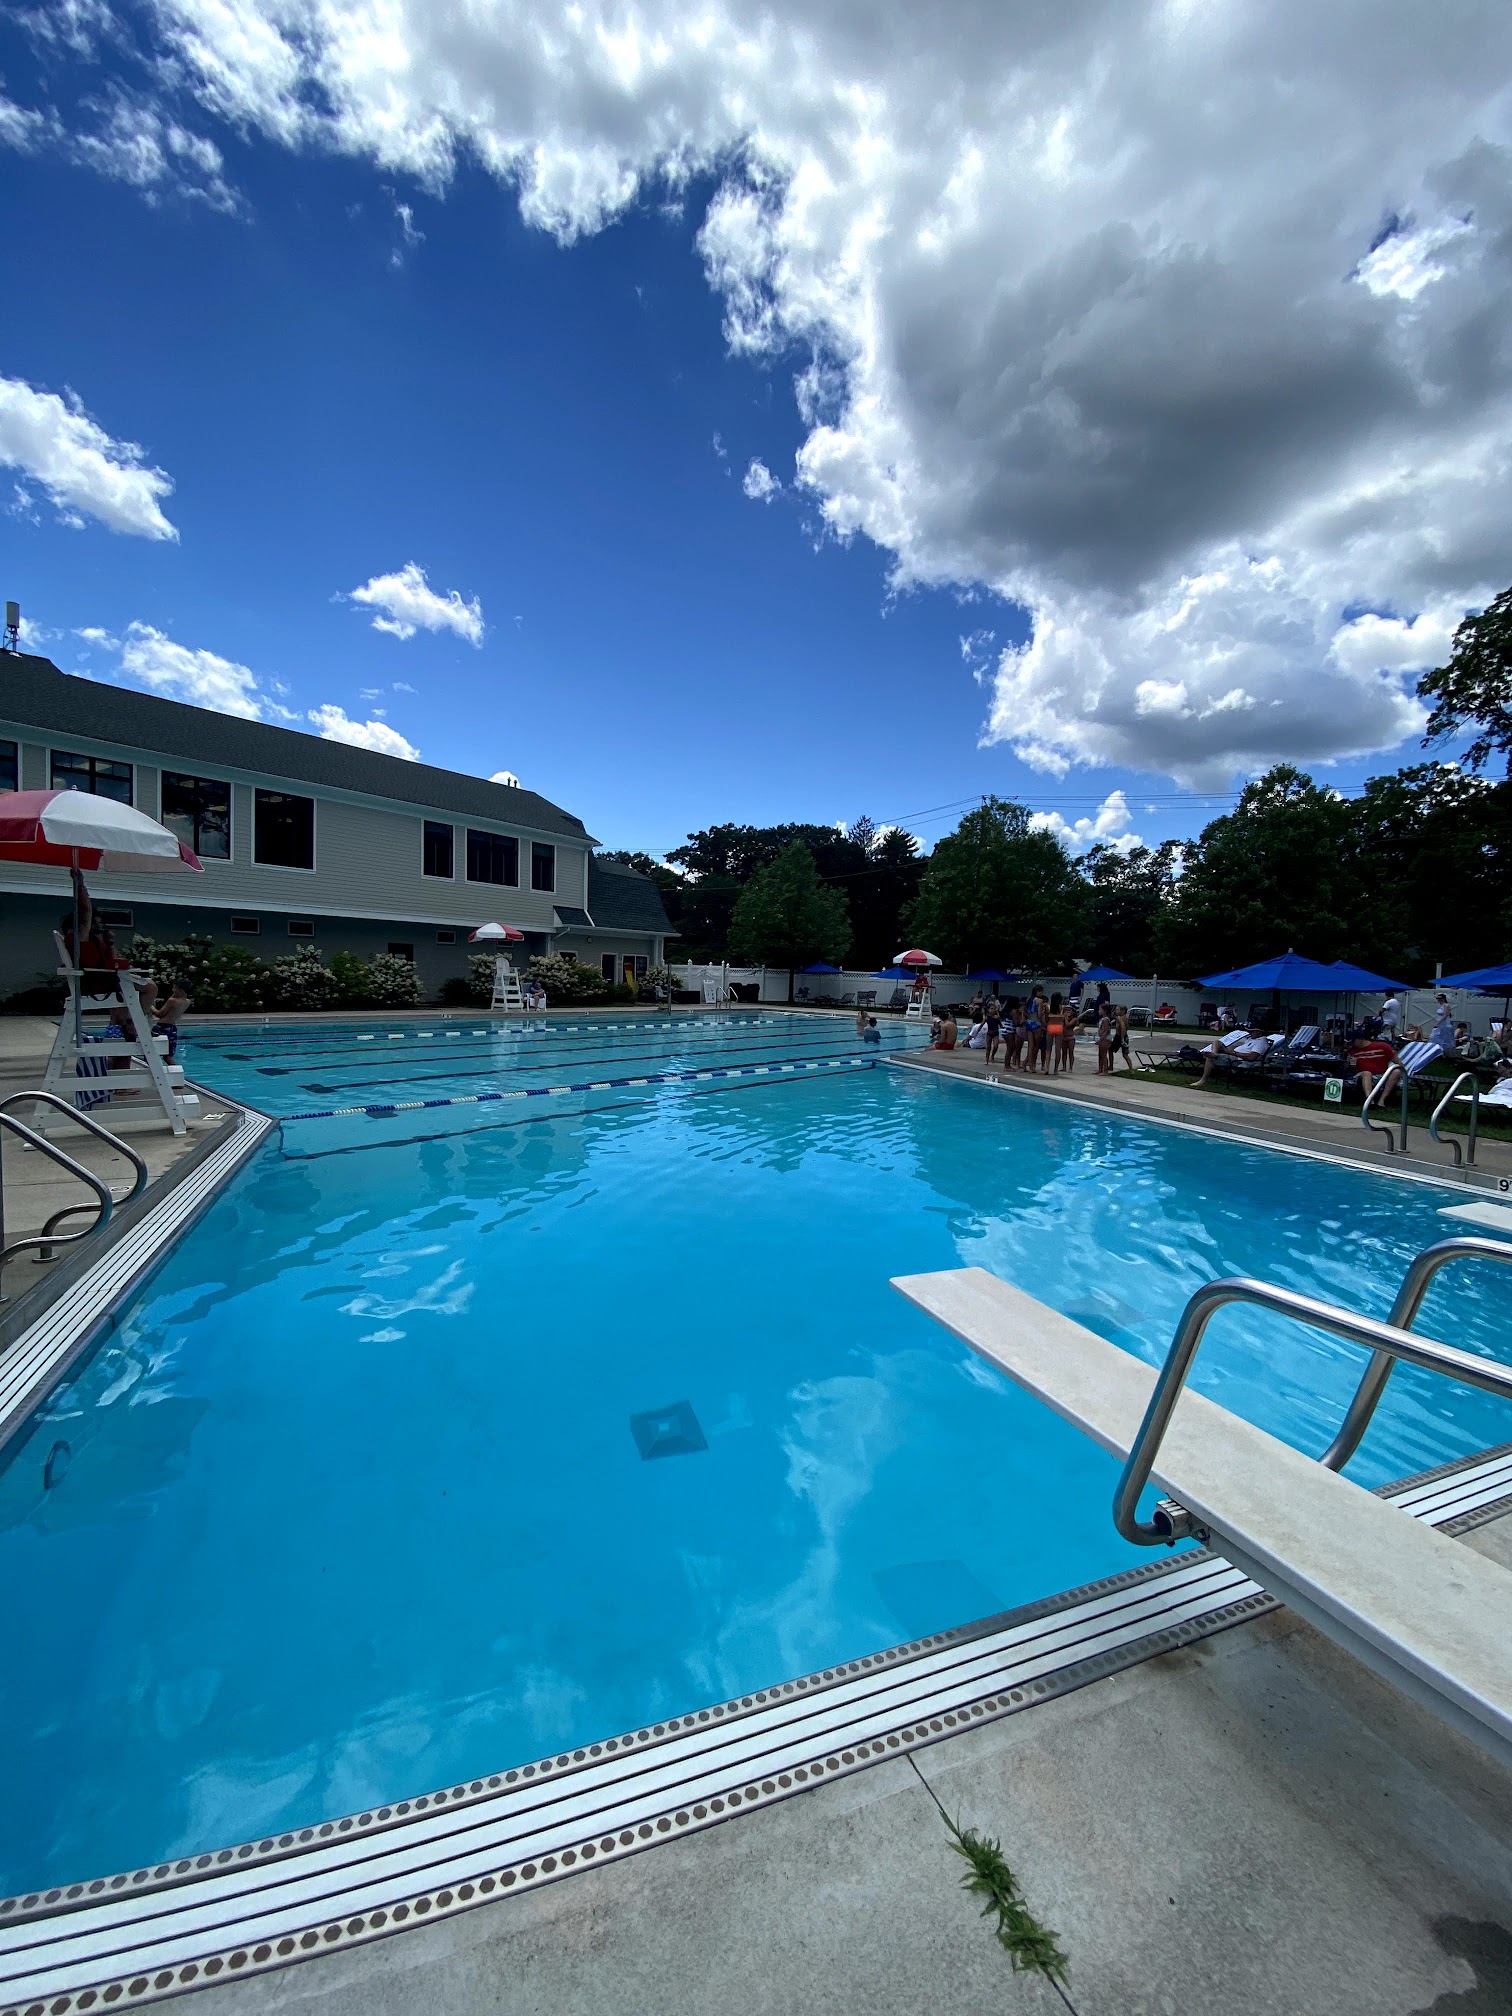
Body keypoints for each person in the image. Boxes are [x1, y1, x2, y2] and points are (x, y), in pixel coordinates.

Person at [62, 871, 159, 1018]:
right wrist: (80, 885)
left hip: (107, 977)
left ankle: (125, 1022)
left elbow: (113, 960)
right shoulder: (78, 938)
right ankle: (133, 1022)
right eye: (97, 923)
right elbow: (85, 912)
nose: (100, 925)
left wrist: (110, 943)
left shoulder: (94, 941)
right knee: (150, 987)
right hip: (99, 981)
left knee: (137, 989)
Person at [1193, 1028, 1272, 1087]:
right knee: (1216, 1042)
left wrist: (1234, 1053)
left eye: (1252, 1031)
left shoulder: (1261, 1042)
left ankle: (1203, 1080)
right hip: (1234, 1054)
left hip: (1239, 1060)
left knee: (1209, 1056)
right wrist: (1231, 1051)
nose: (1249, 1033)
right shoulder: (1252, 1039)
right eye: (1249, 1031)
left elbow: (1251, 1057)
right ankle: (1215, 1053)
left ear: (1259, 1032)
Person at [1347, 1034, 1399, 1099]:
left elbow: (1397, 1062)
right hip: (1362, 1076)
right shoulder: (1353, 1051)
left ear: (1360, 1039)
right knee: (1367, 1073)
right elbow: (1349, 1068)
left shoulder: (1382, 1046)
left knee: (1396, 1071)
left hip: (1381, 1075)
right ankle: (1370, 1100)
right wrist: (1348, 1062)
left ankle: (1382, 1100)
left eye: (1353, 1042)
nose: (1352, 1044)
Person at [1044, 992, 1066, 1076]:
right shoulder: (1062, 1008)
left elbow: (1046, 1018)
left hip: (1050, 1026)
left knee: (1048, 1049)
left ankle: (1047, 1068)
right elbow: (1063, 1019)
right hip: (1059, 1027)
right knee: (1058, 1049)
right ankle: (1055, 1069)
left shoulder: (1048, 1007)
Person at [1113, 1003, 1135, 1072]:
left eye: (1117, 1009)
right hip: (1119, 1036)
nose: (1116, 1011)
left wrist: (1122, 1039)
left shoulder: (1122, 1018)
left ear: (1123, 1011)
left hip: (1122, 1037)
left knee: (1125, 1054)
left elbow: (1123, 1028)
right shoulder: (1120, 1017)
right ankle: (1131, 1069)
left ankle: (1131, 1069)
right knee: (1111, 1050)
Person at [984, 995, 1003, 1069]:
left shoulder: (997, 1018)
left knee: (995, 1046)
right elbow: (981, 1025)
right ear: (988, 1010)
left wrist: (999, 1017)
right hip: (989, 1033)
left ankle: (992, 1055)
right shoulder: (987, 1017)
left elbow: (1001, 1025)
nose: (993, 1010)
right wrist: (975, 1033)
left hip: (995, 1033)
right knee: (988, 1047)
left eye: (994, 1009)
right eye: (991, 1009)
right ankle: (987, 1060)